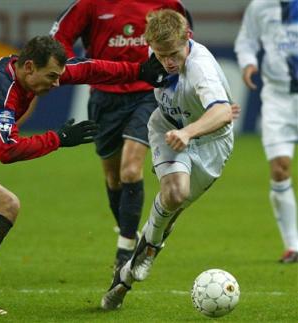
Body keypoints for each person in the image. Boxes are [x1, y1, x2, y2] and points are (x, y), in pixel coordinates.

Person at [0, 36, 165, 315]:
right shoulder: (2, 91)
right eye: (51, 76)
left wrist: (137, 71)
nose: (56, 83)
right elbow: (8, 150)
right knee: (6, 204)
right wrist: (58, 138)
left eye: (58, 76)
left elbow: (87, 69)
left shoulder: (27, 72)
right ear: (28, 67)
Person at [100, 9, 236, 310]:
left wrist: (189, 132)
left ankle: (129, 271)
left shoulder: (200, 69)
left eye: (173, 54)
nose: (168, 62)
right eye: (161, 56)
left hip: (210, 142)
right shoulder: (157, 50)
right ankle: (146, 254)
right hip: (166, 129)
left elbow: (223, 112)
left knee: (174, 207)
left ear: (188, 37)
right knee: (175, 193)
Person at [50, 0, 192, 271]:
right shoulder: (89, 4)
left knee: (130, 169)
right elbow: (59, 40)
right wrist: (75, 68)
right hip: (104, 98)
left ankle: (125, 249)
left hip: (146, 94)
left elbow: (185, 39)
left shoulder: (168, 3)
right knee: (114, 178)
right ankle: (130, 234)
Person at [235, 0, 298, 263]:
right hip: (277, 98)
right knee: (280, 168)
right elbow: (246, 40)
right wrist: (248, 63)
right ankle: (293, 246)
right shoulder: (259, 6)